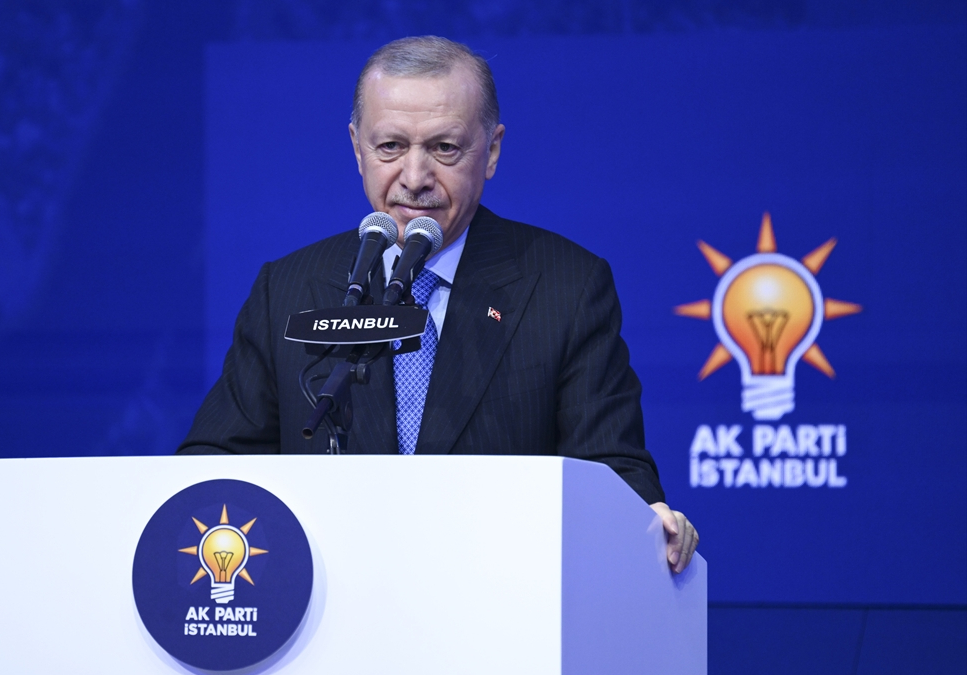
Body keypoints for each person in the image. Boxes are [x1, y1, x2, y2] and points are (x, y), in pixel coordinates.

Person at [178, 36, 698, 573]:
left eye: (445, 148)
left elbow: (611, 469)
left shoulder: (566, 285)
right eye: (390, 147)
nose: (415, 177)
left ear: (491, 151)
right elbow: (212, 466)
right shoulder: (287, 288)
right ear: (357, 146)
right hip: (332, 594)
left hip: (500, 589)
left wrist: (646, 518)